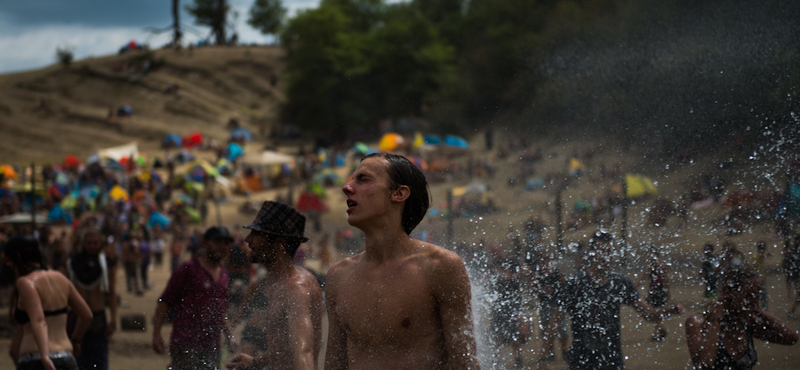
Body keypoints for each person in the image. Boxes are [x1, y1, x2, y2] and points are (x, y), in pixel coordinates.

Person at [325, 153, 481, 370]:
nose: (346, 187)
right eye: (351, 180)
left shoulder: (438, 267)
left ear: (399, 193)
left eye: (363, 179)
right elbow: (334, 365)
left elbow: (465, 364)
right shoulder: (338, 277)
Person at [538, 230, 685, 370]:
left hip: (611, 360)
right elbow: (555, 322)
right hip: (581, 360)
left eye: (609, 251)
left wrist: (671, 310)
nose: (605, 256)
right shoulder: (575, 284)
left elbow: (648, 314)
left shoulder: (620, 283)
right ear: (592, 252)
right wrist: (543, 358)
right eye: (602, 251)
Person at [226, 201, 324, 370]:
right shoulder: (281, 283)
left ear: (280, 242)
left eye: (257, 233)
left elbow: (303, 352)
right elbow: (287, 348)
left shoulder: (294, 288)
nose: (248, 239)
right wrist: (255, 361)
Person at [685, 256, 798, 369]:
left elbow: (791, 338)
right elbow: (704, 364)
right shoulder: (698, 323)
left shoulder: (747, 323)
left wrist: (759, 311)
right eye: (749, 295)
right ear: (729, 292)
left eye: (757, 295)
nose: (754, 301)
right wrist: (716, 316)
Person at [152, 226, 237, 370]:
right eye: (217, 242)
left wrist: (230, 336)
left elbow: (220, 310)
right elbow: (165, 301)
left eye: (225, 243)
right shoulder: (188, 269)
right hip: (186, 342)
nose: (222, 247)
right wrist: (156, 333)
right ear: (205, 243)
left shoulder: (224, 274)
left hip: (212, 345)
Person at [6, 234, 93, 370]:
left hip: (35, 358)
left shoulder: (25, 282)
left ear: (17, 257)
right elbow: (87, 315)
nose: (9, 266)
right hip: (66, 357)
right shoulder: (61, 278)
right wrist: (75, 340)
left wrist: (45, 356)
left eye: (8, 261)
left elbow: (39, 320)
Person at [66, 231, 118, 370]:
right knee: (77, 361)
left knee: (98, 361)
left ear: (100, 244)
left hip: (98, 318)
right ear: (84, 244)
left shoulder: (107, 265)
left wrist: (113, 320)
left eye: (95, 243)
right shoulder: (73, 263)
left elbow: (112, 293)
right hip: (76, 318)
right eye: (89, 243)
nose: (92, 246)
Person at [644, 245, 672, 341]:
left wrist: (636, 286)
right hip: (661, 290)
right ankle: (659, 331)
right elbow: (666, 279)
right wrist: (668, 292)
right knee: (658, 312)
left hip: (656, 291)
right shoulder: (662, 265)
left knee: (656, 313)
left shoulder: (652, 265)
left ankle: (659, 332)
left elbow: (645, 277)